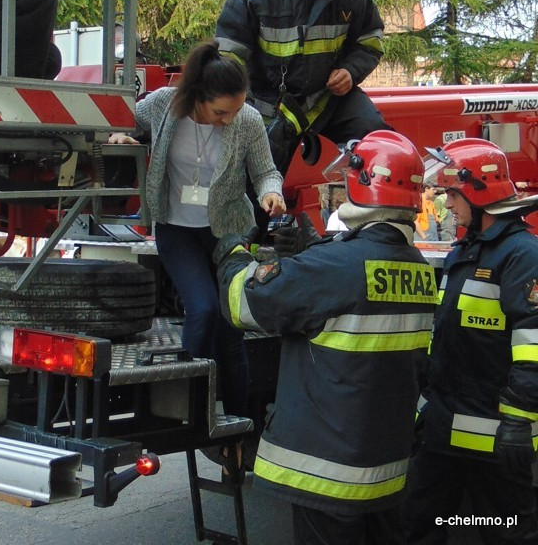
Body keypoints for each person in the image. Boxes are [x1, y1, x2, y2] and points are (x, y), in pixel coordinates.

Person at [213, 131, 438, 544]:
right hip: (383, 469)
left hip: (326, 472)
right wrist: (316, 250)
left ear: (362, 182)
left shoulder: (335, 266)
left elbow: (244, 304)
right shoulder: (418, 268)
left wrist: (233, 254)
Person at [109, 39, 284, 428]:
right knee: (203, 308)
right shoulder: (164, 105)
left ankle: (236, 427)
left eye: (236, 109)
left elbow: (265, 171)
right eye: (221, 111)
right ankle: (188, 410)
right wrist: (124, 137)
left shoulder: (247, 120)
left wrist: (272, 192)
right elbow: (123, 120)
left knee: (229, 327)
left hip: (227, 232)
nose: (229, 119)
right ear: (198, 97)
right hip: (176, 228)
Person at [404, 138, 538, 544]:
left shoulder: (521, 255)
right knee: (419, 527)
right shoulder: (467, 253)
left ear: (477, 192)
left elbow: (534, 340)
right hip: (444, 430)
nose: (445, 202)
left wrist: (518, 419)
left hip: (497, 438)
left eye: (451, 192)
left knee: (505, 532)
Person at [215, 0, 389, 177]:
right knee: (256, 182)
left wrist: (350, 70)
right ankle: (256, 219)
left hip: (326, 100)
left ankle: (373, 215)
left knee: (379, 143)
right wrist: (236, 102)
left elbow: (370, 41)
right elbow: (230, 50)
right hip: (268, 105)